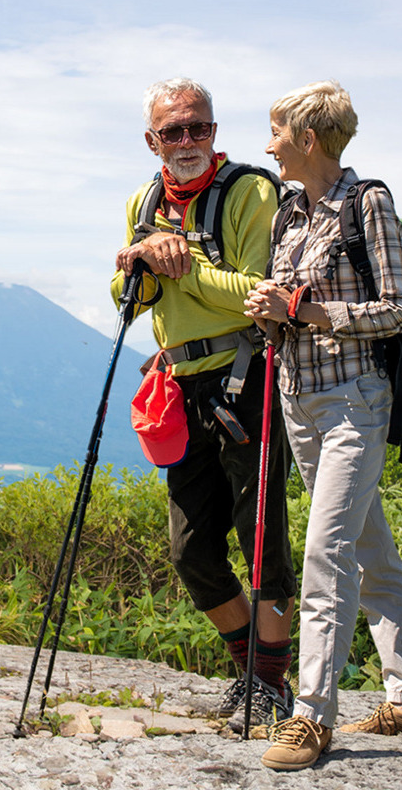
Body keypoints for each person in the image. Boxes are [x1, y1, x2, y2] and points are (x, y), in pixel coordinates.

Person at [243, 80, 402, 772]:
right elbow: (290, 308)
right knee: (368, 547)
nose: (269, 147)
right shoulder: (289, 211)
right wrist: (271, 307)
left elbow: (398, 309)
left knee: (326, 551)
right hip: (301, 399)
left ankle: (310, 717)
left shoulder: (368, 203)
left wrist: (321, 315)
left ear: (308, 140)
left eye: (276, 135)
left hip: (355, 400)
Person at [112, 77, 297, 733]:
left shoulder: (251, 191)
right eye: (174, 131)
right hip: (181, 386)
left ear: (215, 132)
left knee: (259, 544)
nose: (188, 141)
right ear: (151, 140)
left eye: (200, 128)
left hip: (247, 381)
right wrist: (138, 264)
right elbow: (128, 302)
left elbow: (256, 291)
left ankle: (267, 688)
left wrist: (177, 260)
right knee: (192, 551)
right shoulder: (145, 200)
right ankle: (254, 675)